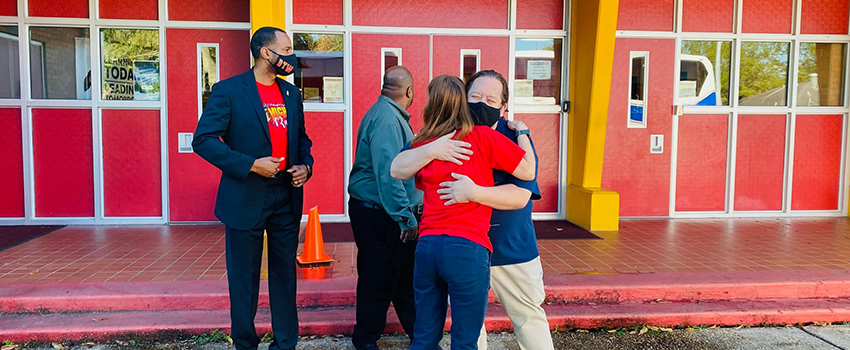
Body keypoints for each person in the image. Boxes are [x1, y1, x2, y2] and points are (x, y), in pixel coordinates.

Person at [390, 74, 536, 350]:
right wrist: (523, 133)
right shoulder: (482, 137)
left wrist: (432, 148)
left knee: (424, 337)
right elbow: (528, 171)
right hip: (467, 249)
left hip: (428, 248)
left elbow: (397, 169)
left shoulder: (426, 143)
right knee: (465, 341)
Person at [192, 27, 313, 350]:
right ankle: (245, 343)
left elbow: (302, 139)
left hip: (285, 195)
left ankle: (285, 342)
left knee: (284, 274)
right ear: (265, 52)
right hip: (245, 196)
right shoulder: (229, 91)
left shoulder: (291, 94)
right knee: (244, 279)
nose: (291, 56)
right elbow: (203, 141)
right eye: (285, 49)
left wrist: (306, 166)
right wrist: (250, 164)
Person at [438, 70, 554, 350]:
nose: (481, 104)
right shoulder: (450, 138)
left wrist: (473, 193)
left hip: (512, 250)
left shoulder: (517, 140)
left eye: (491, 99)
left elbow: (519, 196)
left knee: (529, 320)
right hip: (465, 248)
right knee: (469, 328)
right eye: (475, 96)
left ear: (503, 108)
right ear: (464, 99)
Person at [347, 65, 421, 350]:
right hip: (381, 214)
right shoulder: (389, 120)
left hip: (382, 211)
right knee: (378, 278)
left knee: (402, 278)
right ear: (409, 91)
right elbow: (389, 175)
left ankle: (420, 337)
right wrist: (405, 218)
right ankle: (365, 339)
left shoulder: (386, 114)